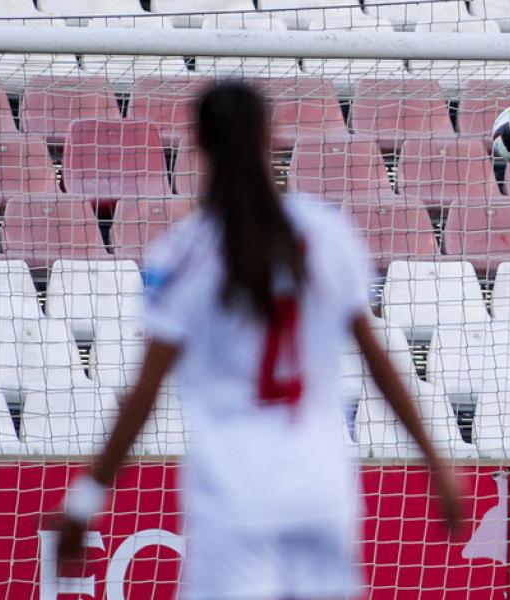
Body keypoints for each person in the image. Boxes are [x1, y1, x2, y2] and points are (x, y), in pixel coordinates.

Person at [54, 80, 462, 600]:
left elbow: (144, 394)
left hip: (234, 493)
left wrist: (87, 497)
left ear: (197, 144)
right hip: (320, 487)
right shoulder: (326, 233)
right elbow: (377, 363)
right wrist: (435, 462)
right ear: (273, 137)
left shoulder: (183, 254)